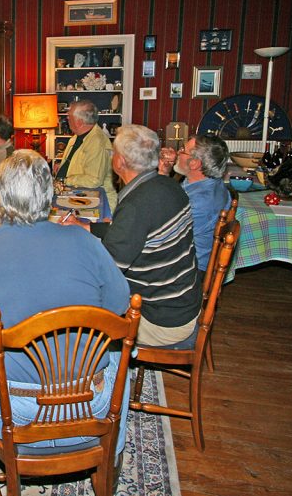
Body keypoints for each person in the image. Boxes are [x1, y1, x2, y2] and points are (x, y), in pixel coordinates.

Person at [0, 150, 131, 496]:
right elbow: (119, 306)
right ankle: (112, 461)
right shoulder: (86, 241)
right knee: (120, 356)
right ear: (51, 197)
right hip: (91, 405)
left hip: (10, 412)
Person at [61, 125, 199, 348]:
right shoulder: (167, 185)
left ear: (120, 162)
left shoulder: (136, 205)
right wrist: (85, 227)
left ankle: (89, 373)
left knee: (69, 309)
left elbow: (108, 271)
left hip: (160, 321)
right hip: (181, 304)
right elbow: (133, 234)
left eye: (114, 152)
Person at [174, 134, 232, 273]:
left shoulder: (200, 202)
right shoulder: (214, 184)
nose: (178, 153)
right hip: (194, 259)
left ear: (194, 163)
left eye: (183, 150)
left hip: (189, 269)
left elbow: (167, 237)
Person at [55, 99, 117, 209]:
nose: (67, 119)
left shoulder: (97, 142)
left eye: (70, 117)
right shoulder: (76, 137)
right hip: (75, 197)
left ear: (79, 121)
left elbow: (94, 180)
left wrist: (64, 180)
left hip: (97, 203)